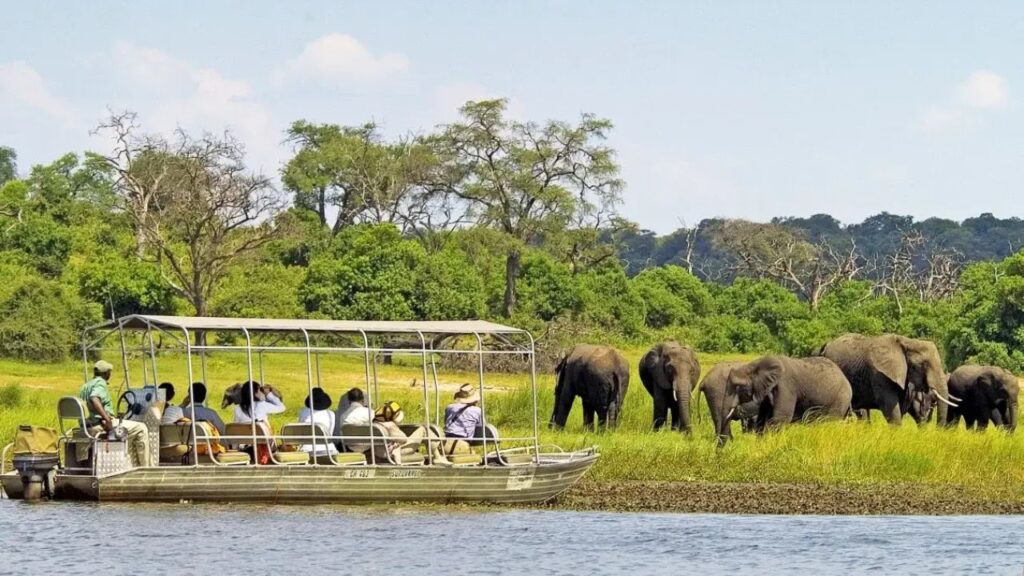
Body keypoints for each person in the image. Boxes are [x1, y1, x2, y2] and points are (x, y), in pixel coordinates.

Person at [77, 360, 151, 467]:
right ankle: (145, 467)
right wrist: (107, 419)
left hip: (86, 426)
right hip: (100, 425)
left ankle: (127, 462)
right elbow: (94, 398)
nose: (110, 374)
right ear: (106, 373)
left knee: (126, 428)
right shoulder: (100, 383)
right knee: (141, 428)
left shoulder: (85, 386)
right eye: (109, 372)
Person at [373, 401, 448, 465]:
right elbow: (403, 440)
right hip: (393, 452)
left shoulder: (375, 423)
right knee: (423, 429)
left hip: (378, 452)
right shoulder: (390, 425)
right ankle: (437, 457)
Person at [443, 384, 484, 455]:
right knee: (478, 457)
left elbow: (445, 422)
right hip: (462, 444)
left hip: (444, 444)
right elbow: (481, 428)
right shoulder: (477, 411)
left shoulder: (449, 407)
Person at [297, 387, 337, 456]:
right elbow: (330, 432)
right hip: (328, 449)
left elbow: (300, 431)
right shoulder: (331, 414)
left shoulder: (303, 412)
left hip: (307, 450)